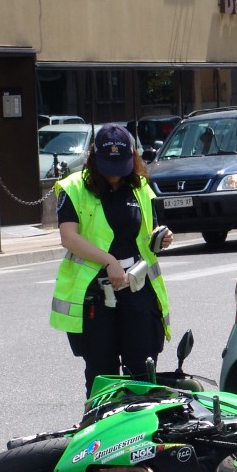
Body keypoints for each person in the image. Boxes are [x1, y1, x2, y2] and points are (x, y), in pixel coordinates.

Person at [50, 123, 174, 396]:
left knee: (142, 369)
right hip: (96, 292)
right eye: (109, 167)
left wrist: (162, 237)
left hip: (137, 286)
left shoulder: (140, 185)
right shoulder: (74, 187)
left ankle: (140, 431)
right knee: (101, 372)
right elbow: (68, 237)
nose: (116, 175)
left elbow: (149, 230)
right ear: (94, 158)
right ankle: (99, 429)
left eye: (121, 166)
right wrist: (109, 261)